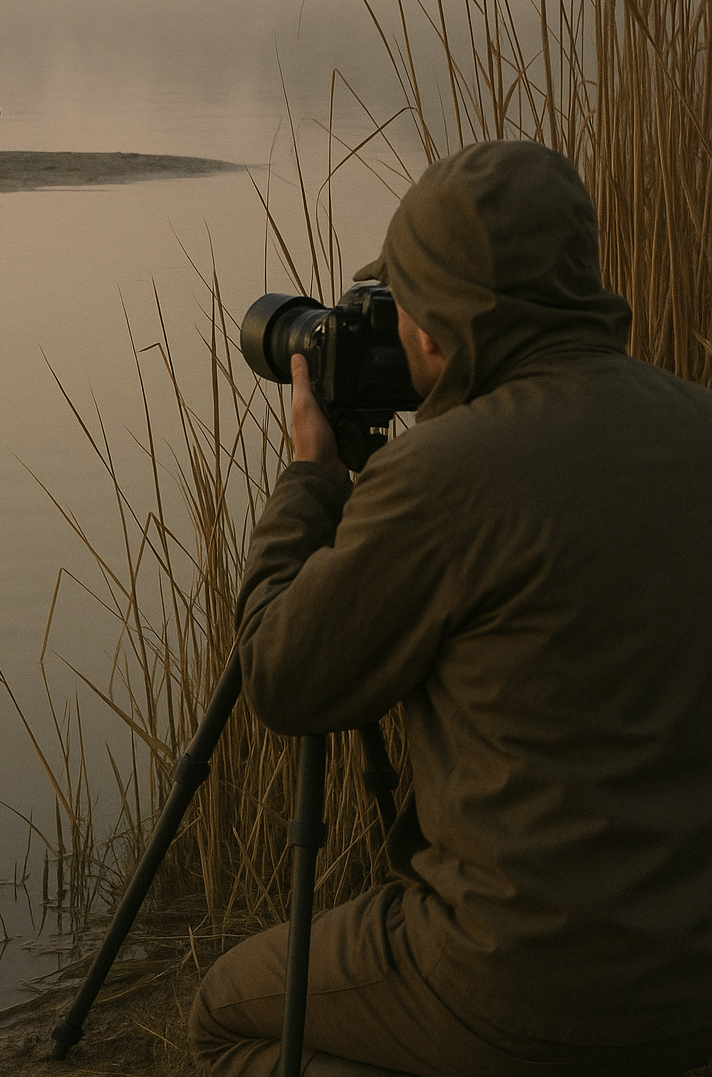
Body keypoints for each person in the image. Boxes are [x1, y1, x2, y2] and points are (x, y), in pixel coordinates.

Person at [189, 141, 712, 1077]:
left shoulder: (440, 476)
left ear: (440, 328)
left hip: (518, 982)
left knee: (226, 1017)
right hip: (692, 981)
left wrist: (312, 481)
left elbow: (283, 677)